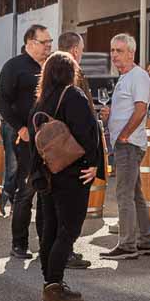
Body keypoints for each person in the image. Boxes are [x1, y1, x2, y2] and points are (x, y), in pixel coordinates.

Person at [30, 51, 103, 301]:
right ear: (71, 73)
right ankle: (54, 288)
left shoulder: (41, 102)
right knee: (68, 229)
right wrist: (93, 164)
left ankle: (50, 283)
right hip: (73, 174)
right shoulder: (73, 96)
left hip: (48, 174)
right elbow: (88, 134)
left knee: (49, 228)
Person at [0, 24, 51, 260]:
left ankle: (46, 243)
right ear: (30, 43)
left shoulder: (50, 66)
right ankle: (19, 244)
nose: (48, 46)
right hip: (23, 136)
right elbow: (1, 102)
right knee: (26, 189)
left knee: (46, 189)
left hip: (47, 138)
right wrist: (20, 128)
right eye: (44, 42)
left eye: (50, 42)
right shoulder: (14, 66)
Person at [103, 33, 150, 259]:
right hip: (126, 144)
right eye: (112, 50)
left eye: (119, 51)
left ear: (131, 53)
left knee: (124, 194)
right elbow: (129, 109)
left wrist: (124, 135)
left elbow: (141, 109)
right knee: (134, 193)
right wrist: (110, 115)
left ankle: (127, 245)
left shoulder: (138, 76)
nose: (114, 55)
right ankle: (146, 241)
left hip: (129, 145)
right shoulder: (125, 77)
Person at [54, 30, 94, 270]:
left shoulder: (50, 74)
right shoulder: (73, 76)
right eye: (82, 50)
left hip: (58, 153)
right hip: (73, 152)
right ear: (75, 51)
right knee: (72, 210)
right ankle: (64, 254)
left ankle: (57, 251)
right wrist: (92, 158)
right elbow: (81, 121)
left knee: (57, 207)